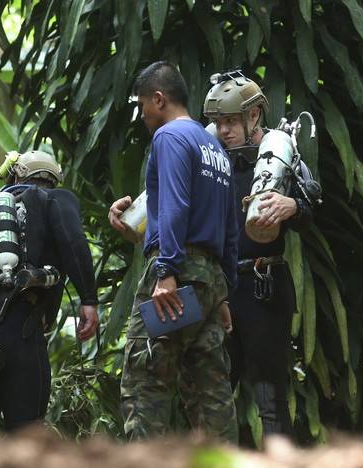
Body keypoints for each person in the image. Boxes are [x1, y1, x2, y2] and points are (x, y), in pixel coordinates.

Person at [108, 61, 239, 442]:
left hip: (177, 275)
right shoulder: (214, 146)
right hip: (210, 281)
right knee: (210, 392)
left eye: (144, 105)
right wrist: (223, 292)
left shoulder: (168, 138)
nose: (143, 115)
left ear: (159, 98)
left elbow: (177, 207)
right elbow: (229, 225)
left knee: (146, 383)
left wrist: (166, 270)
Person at [0, 150, 99, 430]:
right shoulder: (56, 199)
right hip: (19, 324)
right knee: (26, 430)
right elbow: (73, 242)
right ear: (53, 178)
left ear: (14, 175)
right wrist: (88, 299)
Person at [202, 71, 315, 440]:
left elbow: (313, 203)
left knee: (270, 400)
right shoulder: (212, 159)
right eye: (218, 123)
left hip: (263, 288)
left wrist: (292, 205)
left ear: (253, 116)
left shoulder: (279, 154)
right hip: (219, 290)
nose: (224, 130)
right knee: (212, 399)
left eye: (231, 121)